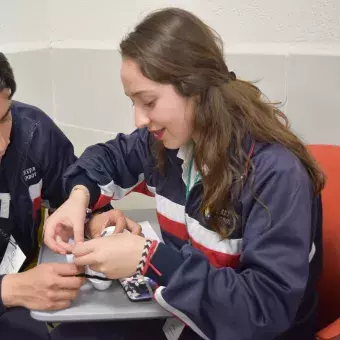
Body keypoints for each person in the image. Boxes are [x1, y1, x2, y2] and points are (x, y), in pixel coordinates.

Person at [44, 8, 325, 340]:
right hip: (184, 315)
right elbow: (107, 158)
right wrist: (79, 198)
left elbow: (263, 309)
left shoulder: (275, 174)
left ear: (197, 89)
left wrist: (149, 259)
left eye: (148, 101)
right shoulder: (165, 144)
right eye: (132, 102)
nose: (139, 120)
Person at [0, 52, 87, 339]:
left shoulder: (34, 132)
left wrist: (93, 217)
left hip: (22, 282)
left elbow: (69, 193)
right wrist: (8, 289)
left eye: (3, 118)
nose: (2, 145)